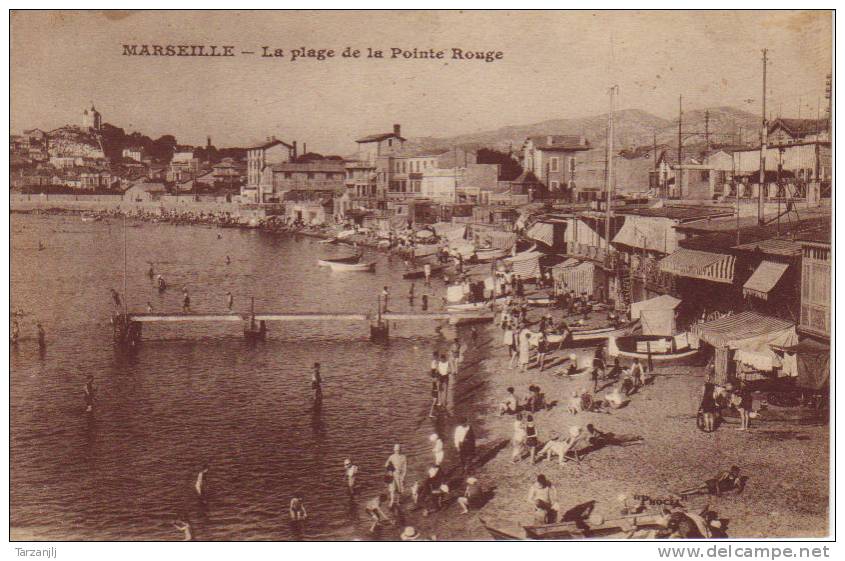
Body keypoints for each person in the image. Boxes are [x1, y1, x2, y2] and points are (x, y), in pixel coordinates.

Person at [679, 466, 745, 497]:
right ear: (732, 471)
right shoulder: (726, 474)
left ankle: (683, 494)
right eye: (736, 472)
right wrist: (718, 490)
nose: (737, 473)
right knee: (697, 487)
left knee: (699, 491)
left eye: (738, 472)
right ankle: (682, 491)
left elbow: (740, 487)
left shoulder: (736, 479)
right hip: (713, 483)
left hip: (716, 488)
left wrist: (738, 490)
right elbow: (717, 481)